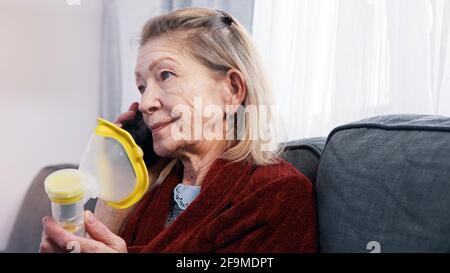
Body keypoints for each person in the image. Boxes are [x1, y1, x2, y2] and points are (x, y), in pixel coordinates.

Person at [39, 7, 317, 253]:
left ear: (232, 89)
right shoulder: (155, 191)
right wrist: (116, 170)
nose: (146, 103)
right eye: (142, 87)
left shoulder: (277, 193)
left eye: (166, 75)